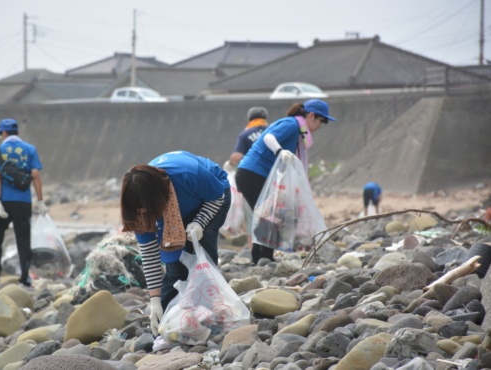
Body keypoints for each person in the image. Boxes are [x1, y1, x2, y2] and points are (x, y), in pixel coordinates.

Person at [120, 150, 230, 342]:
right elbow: (150, 255)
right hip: (171, 208)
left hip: (211, 198)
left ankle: (212, 318)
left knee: (202, 257)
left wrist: (200, 222)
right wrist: (155, 301)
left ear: (157, 199)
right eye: (140, 211)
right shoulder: (138, 206)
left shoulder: (189, 174)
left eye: (146, 209)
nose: (143, 213)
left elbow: (217, 196)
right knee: (175, 267)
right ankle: (166, 325)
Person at [235, 99, 336, 265]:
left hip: (256, 175)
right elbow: (268, 137)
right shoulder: (291, 124)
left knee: (268, 215)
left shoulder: (298, 130)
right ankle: (263, 259)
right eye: (321, 120)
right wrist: (280, 151)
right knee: (270, 215)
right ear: (311, 115)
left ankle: (261, 258)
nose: (321, 126)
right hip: (252, 174)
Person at [0, 118, 47, 289]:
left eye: (0, 134)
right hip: (23, 202)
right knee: (23, 240)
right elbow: (35, 175)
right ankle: (25, 279)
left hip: (4, 201)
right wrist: (40, 201)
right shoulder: (30, 149)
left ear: (4, 133)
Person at [222, 106, 269, 248]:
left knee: (251, 214)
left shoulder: (246, 134)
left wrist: (229, 165)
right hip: (272, 178)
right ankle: (269, 247)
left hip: (251, 178)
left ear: (249, 119)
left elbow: (236, 157)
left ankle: (254, 250)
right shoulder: (272, 131)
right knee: (269, 212)